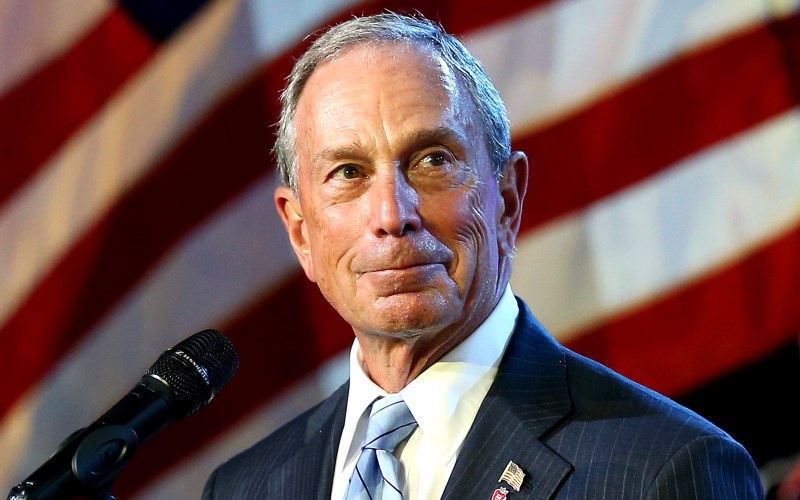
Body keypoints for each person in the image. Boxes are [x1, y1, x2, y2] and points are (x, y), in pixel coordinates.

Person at [202, 12, 764, 499]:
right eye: (348, 173)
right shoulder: (243, 487)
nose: (393, 214)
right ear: (301, 232)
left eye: (432, 161)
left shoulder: (665, 469)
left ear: (507, 201)